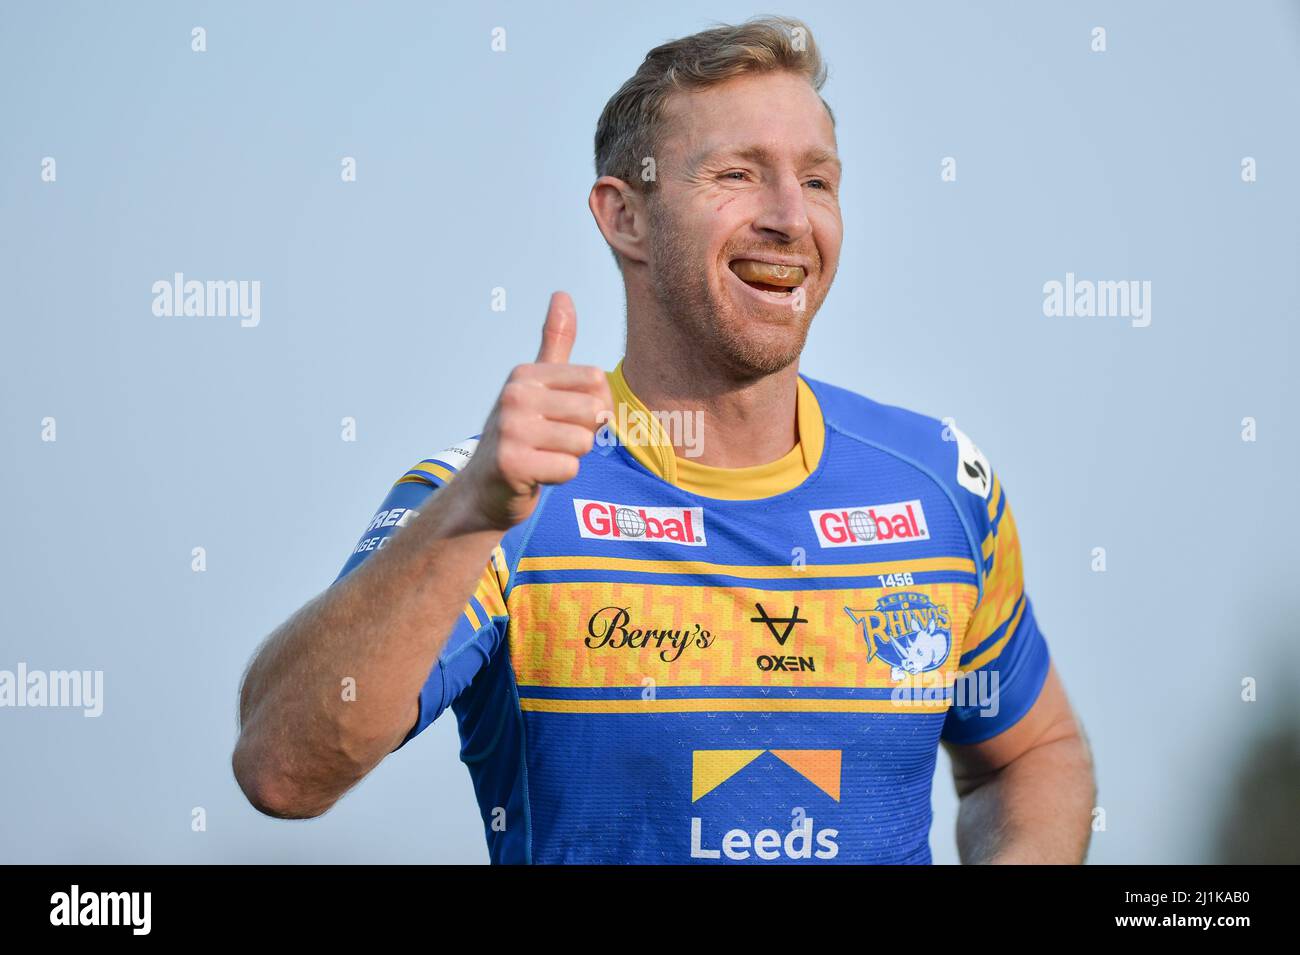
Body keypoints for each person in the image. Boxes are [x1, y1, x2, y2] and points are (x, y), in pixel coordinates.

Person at [233, 15, 1096, 864]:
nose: (791, 218)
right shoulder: (500, 491)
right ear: (625, 218)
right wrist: (468, 515)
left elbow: (1031, 754)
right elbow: (280, 768)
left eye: (820, 182)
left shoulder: (940, 484)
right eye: (737, 174)